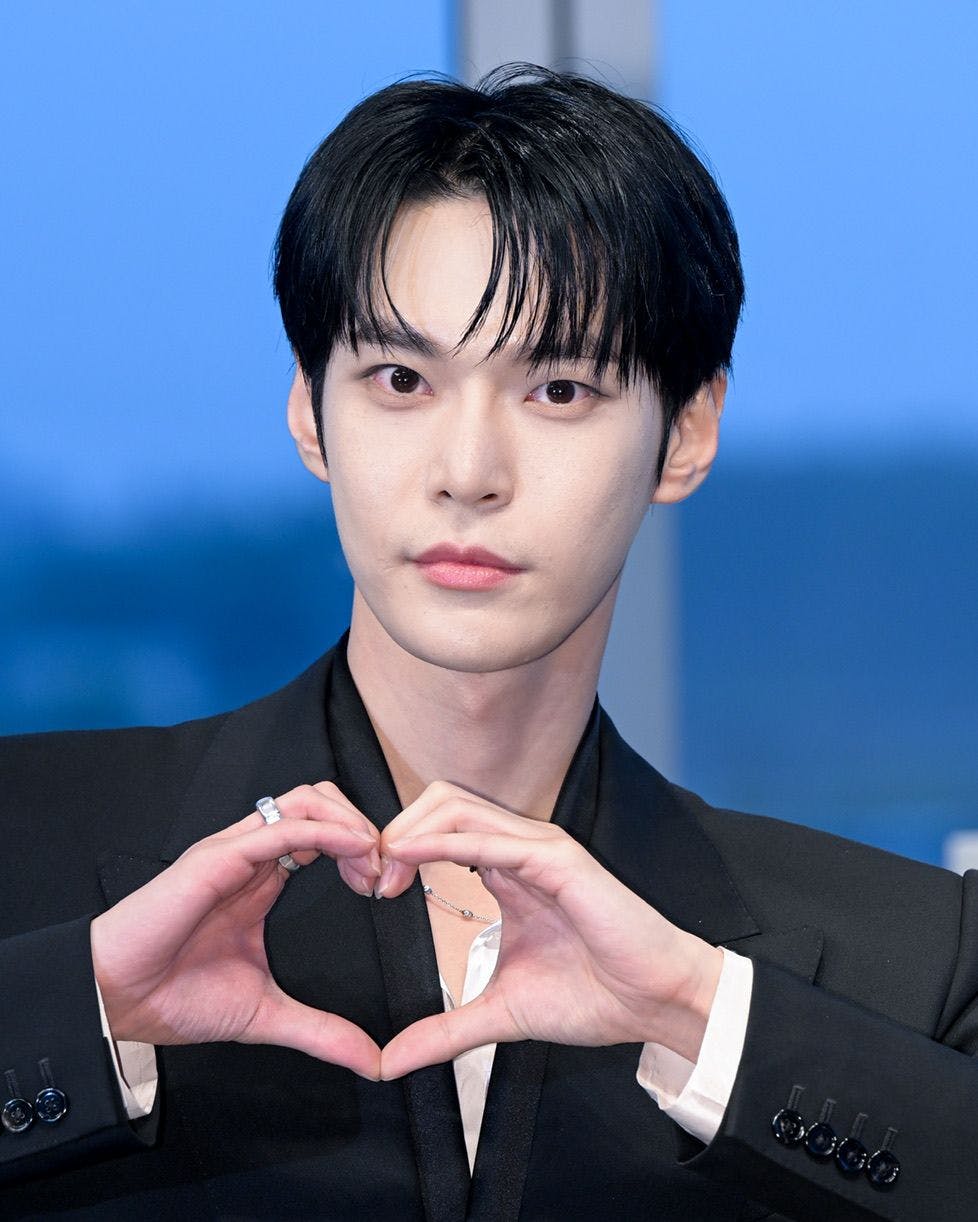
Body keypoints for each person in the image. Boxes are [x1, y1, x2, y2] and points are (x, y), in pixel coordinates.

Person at [1, 65, 975, 1221]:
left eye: (559, 389)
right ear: (310, 410)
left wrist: (702, 1014)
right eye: (401, 378)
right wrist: (81, 1015)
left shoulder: (910, 954)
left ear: (686, 431)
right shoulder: (26, 843)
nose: (469, 472)